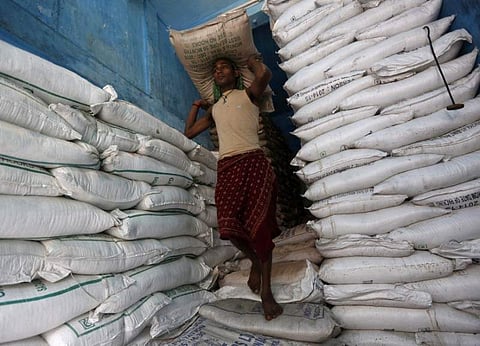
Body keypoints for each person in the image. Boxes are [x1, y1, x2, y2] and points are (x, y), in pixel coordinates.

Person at [184, 54, 283, 321]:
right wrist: (197, 105)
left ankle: (266, 293)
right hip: (228, 168)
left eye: (224, 67)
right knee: (229, 227)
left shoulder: (248, 95)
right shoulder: (214, 108)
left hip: (253, 162)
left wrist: (251, 62)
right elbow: (190, 133)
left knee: (259, 227)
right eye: (215, 69)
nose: (218, 71)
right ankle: (254, 261)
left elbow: (264, 75)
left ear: (235, 74)